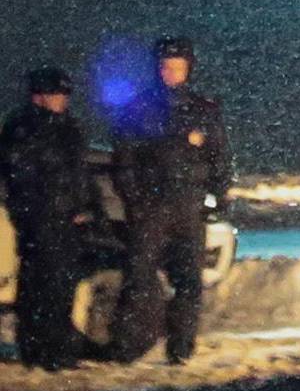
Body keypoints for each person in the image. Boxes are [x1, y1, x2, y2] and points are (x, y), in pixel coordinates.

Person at [108, 37, 231, 365]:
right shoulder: (138, 108)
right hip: (152, 208)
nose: (172, 73)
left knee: (189, 281)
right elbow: (124, 162)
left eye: (179, 67)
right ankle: (128, 347)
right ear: (157, 68)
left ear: (188, 69)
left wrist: (216, 198)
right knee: (139, 277)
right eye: (166, 67)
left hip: (189, 207)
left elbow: (219, 158)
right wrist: (137, 201)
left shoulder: (203, 110)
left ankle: (180, 349)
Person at [0, 66, 94, 370]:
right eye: (57, 94)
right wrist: (32, 210)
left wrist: (80, 206)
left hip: (65, 218)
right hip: (39, 218)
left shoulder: (67, 127)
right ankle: (40, 349)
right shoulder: (23, 128)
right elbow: (21, 175)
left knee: (62, 284)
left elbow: (79, 173)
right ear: (40, 96)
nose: (62, 100)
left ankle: (56, 347)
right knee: (41, 284)